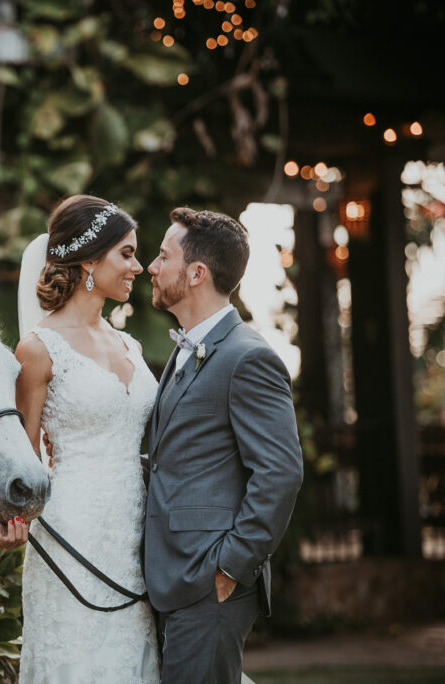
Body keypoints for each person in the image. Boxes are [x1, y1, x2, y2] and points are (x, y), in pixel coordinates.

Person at [0, 195, 160, 683]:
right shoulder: (38, 349)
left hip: (138, 535)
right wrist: (11, 520)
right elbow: (22, 453)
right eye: (126, 254)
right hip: (70, 533)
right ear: (89, 259)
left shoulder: (131, 344)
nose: (138, 266)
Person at [144, 207, 302, 684]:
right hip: (172, 579)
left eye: (162, 256)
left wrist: (230, 566)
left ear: (197, 273)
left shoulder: (247, 357)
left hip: (208, 584)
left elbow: (280, 473)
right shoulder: (185, 348)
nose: (151, 267)